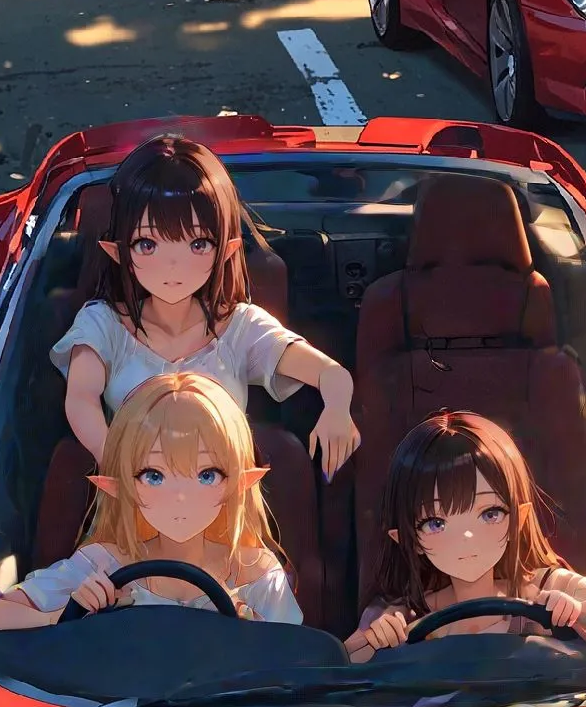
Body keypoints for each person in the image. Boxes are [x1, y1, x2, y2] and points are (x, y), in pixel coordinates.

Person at [52, 132, 360, 480]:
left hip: (223, 500)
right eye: (147, 244)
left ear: (225, 251)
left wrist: (337, 409)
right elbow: (81, 399)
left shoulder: (241, 326)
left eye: (198, 244)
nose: (173, 266)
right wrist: (120, 468)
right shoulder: (102, 324)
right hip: (130, 496)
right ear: (118, 252)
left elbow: (330, 373)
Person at [0, 371, 302, 632]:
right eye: (153, 476)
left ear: (239, 483)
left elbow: (295, 662)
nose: (180, 497)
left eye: (207, 475)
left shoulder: (257, 574)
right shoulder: (102, 564)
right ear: (120, 486)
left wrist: (253, 636)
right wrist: (66, 616)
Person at [345, 410, 586, 662]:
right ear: (407, 539)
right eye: (436, 523)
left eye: (490, 514)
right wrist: (377, 637)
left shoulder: (544, 587)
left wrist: (578, 610)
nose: (467, 536)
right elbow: (339, 666)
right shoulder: (404, 610)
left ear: (518, 520)